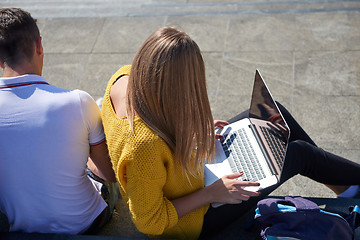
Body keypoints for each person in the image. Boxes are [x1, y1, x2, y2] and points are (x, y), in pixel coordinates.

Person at [101, 26, 360, 239]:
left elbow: (155, 121)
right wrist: (213, 193)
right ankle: (352, 184)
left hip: (190, 171)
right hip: (191, 221)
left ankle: (348, 189)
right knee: (298, 155)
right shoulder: (143, 145)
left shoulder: (124, 77)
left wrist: (190, 135)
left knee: (272, 114)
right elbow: (149, 222)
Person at [0, 8, 117, 234]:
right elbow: (109, 174)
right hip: (84, 223)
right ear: (39, 46)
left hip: (22, 227)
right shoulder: (78, 101)